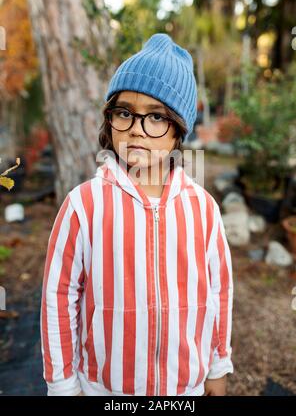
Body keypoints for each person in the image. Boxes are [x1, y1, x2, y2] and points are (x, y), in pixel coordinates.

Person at [40, 33, 234, 396]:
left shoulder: (203, 209)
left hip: (184, 390)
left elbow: (219, 293)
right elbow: (58, 297)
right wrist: (64, 386)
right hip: (105, 389)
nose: (136, 130)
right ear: (110, 119)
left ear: (178, 129)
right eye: (125, 112)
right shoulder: (84, 206)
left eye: (156, 117)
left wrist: (217, 366)